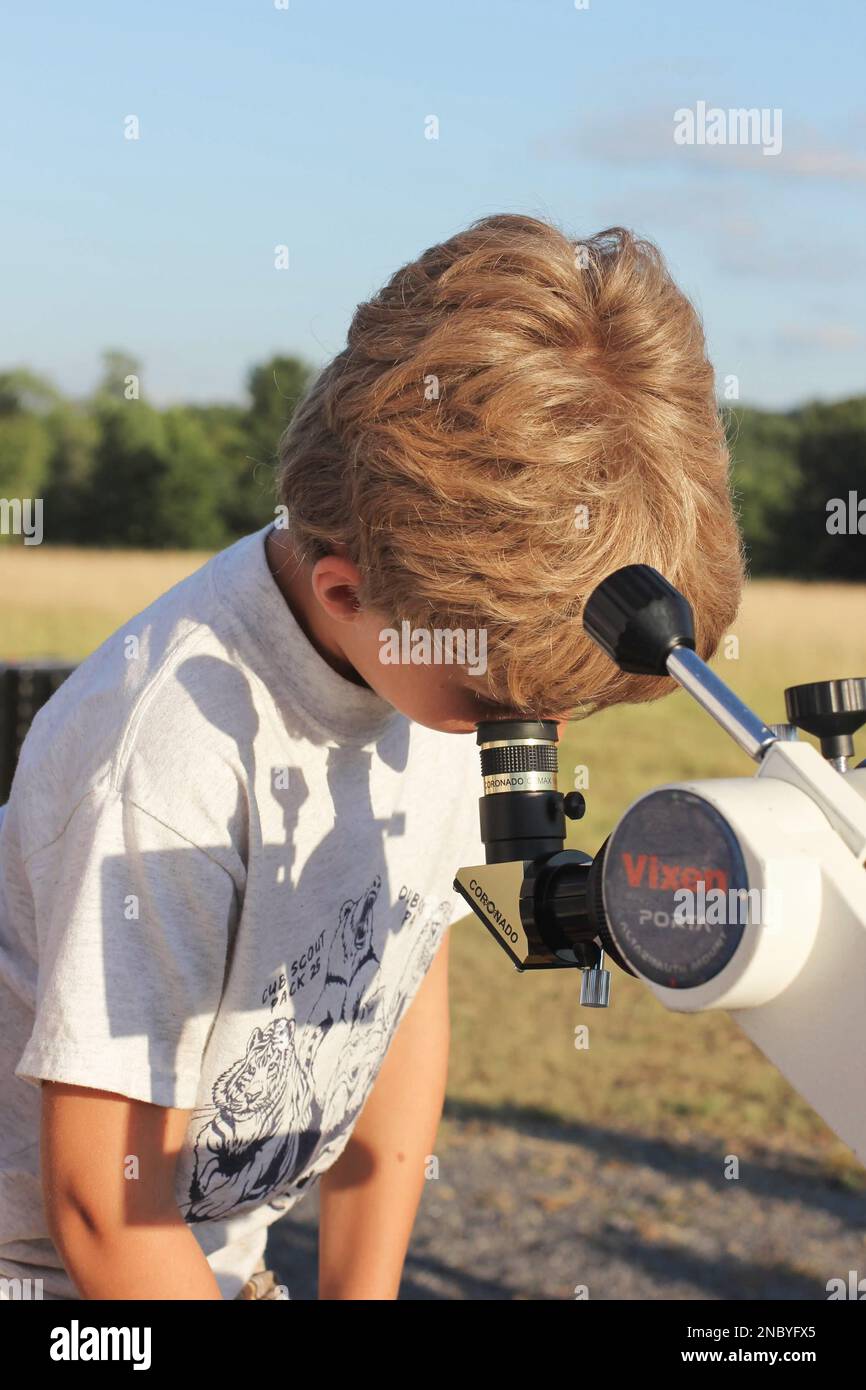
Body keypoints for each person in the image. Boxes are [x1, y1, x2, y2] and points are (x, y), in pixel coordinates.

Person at [0, 213, 743, 1300]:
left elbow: (396, 979)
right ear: (348, 590)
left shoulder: (430, 653)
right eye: (499, 702)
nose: (532, 733)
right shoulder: (166, 759)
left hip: (212, 1261)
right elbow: (99, 1208)